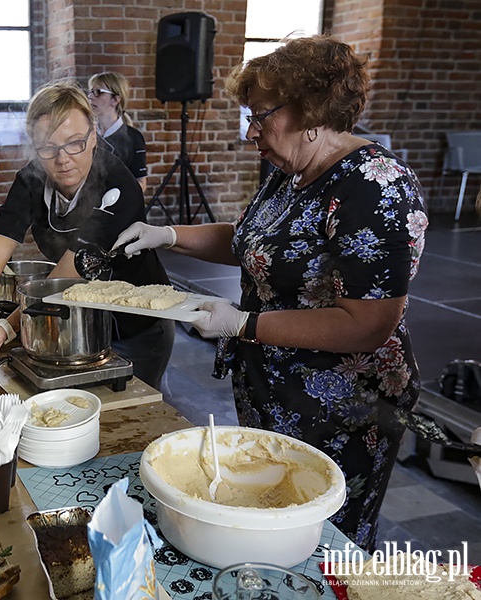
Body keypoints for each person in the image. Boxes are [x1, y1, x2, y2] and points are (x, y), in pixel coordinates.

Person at [114, 35, 428, 551]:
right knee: (267, 527)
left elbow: (369, 324)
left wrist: (243, 324)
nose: (250, 133)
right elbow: (252, 243)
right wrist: (167, 235)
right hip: (273, 388)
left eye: (260, 116)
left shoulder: (373, 185)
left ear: (311, 108)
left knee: (320, 544)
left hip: (342, 408)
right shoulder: (293, 172)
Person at [0, 81, 174, 390]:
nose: (63, 159)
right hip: (74, 319)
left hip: (135, 327)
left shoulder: (118, 188)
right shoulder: (32, 179)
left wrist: (3, 329)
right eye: (48, 148)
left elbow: (69, 273)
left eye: (75, 142)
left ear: (93, 135)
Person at [87, 72, 148, 192]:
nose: (90, 96)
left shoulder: (133, 138)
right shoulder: (86, 133)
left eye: (98, 92)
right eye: (91, 91)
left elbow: (140, 183)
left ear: (115, 100)